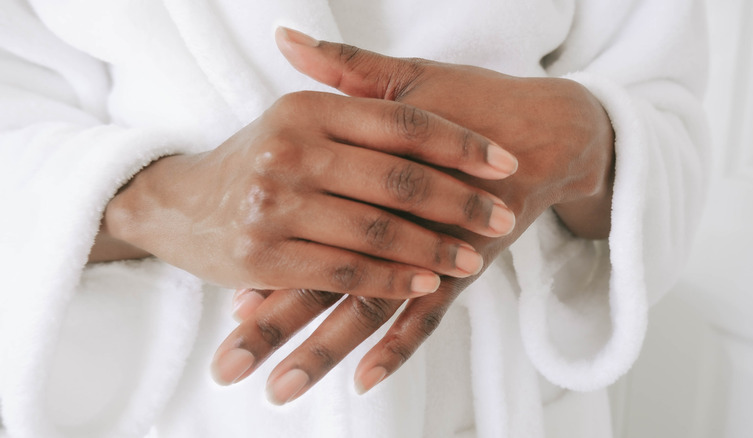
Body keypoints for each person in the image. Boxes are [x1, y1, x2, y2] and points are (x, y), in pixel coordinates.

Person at [0, 1, 709, 437]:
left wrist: (588, 137)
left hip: (498, 405)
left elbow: (669, 111)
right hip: (188, 403)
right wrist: (157, 200)